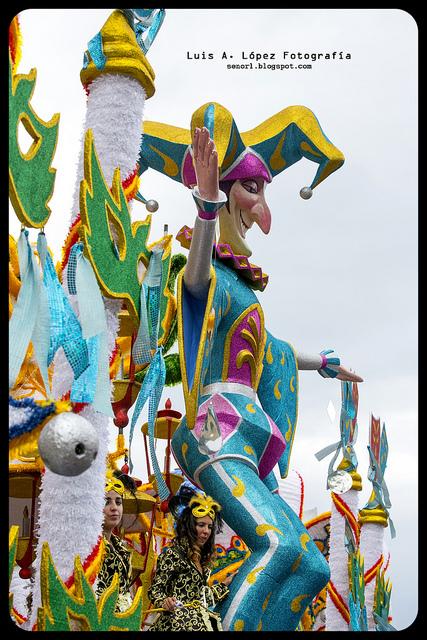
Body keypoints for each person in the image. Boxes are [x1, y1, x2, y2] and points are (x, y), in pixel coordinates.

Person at [139, 102, 363, 631]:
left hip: (245, 431)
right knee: (277, 543)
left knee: (307, 562)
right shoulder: (210, 277)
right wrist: (206, 205)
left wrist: (324, 363)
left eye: (264, 191)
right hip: (213, 433)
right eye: (253, 189)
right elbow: (194, 281)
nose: (261, 205)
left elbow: (272, 351)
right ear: (228, 192)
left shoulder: (245, 291)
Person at [147, 484, 235, 631]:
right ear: (189, 525)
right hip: (175, 625)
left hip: (200, 624)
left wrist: (224, 585)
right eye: (201, 525)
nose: (206, 531)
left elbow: (199, 599)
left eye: (209, 527)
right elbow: (154, 590)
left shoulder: (203, 561)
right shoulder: (172, 554)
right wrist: (165, 601)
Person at [95, 470, 136, 612]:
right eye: (107, 502)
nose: (114, 508)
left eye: (118, 502)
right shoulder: (88, 545)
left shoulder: (121, 548)